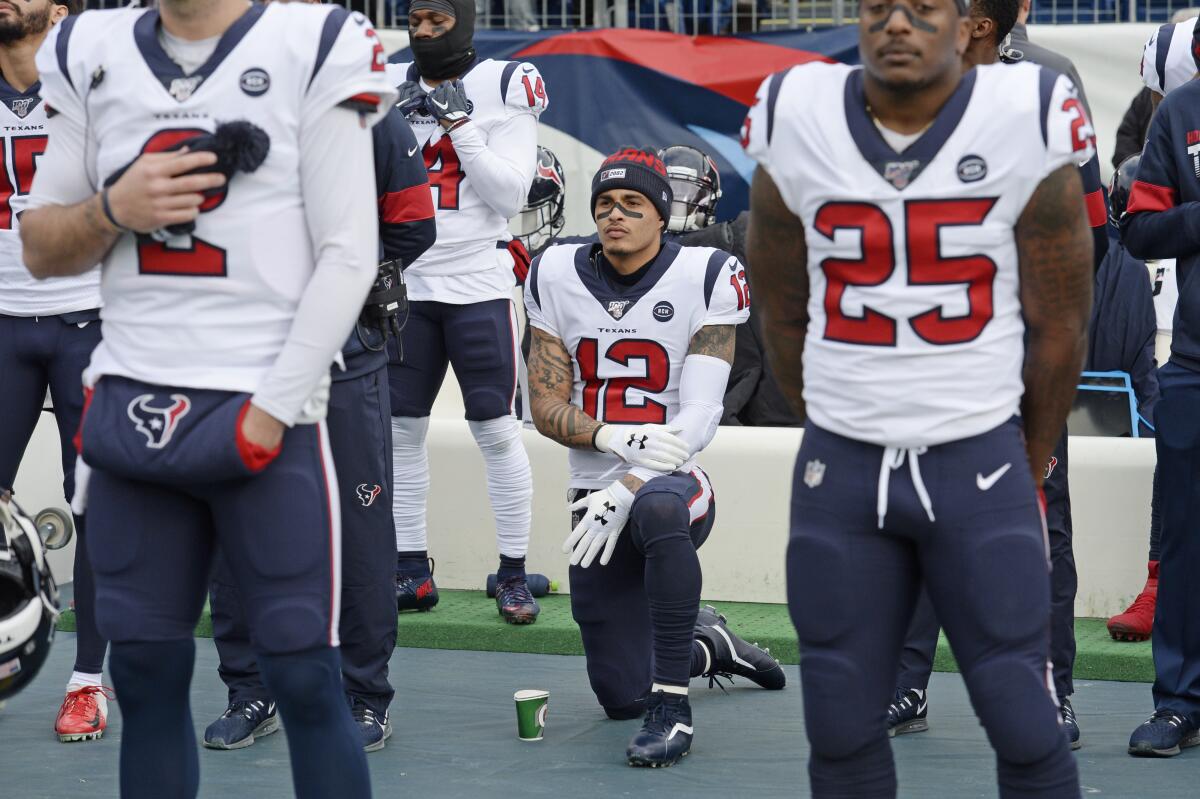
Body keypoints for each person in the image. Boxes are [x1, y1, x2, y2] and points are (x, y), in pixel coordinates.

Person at [21, 1, 394, 796]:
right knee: (149, 677)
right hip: (133, 412)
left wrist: (272, 409)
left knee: (303, 678)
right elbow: (42, 246)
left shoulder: (313, 41)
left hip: (263, 414)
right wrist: (114, 208)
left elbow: (350, 253)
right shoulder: (90, 46)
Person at [744, 0, 1095, 792]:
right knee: (837, 718)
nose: (898, 22)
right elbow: (782, 311)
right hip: (844, 465)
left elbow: (1063, 323)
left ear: (967, 19)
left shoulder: (1024, 111)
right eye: (879, 6)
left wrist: (1023, 456)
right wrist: (842, 416)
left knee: (1022, 713)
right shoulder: (796, 114)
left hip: (975, 457)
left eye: (923, 6)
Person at [525, 147, 785, 767]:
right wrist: (612, 439)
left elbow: (699, 414)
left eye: (633, 204)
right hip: (592, 495)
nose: (616, 215)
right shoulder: (555, 271)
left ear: (662, 216)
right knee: (619, 694)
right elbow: (545, 404)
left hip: (676, 480)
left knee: (657, 512)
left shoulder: (706, 273)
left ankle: (673, 710)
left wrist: (634, 478)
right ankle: (707, 647)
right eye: (605, 204)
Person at [204, 86, 436, 759]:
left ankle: (365, 695)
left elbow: (414, 222)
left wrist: (337, 287)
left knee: (358, 531)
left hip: (344, 357)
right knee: (236, 525)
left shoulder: (367, 109)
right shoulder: (215, 101)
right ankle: (250, 687)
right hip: (239, 356)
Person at [885, 0, 1092, 750]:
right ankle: (906, 683)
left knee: (1039, 524)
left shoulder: (1047, 83)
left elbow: (1088, 224)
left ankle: (1054, 690)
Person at [388, 0, 546, 624]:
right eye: (417, 20)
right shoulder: (388, 84)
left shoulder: (504, 82)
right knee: (401, 434)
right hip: (407, 285)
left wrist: (460, 126)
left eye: (439, 20)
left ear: (467, 20)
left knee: (496, 430)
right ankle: (410, 570)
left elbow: (510, 192)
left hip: (477, 281)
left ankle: (511, 572)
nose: (425, 32)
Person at [0, 0, 107, 744]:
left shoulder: (93, 86)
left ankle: (86, 680)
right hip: (2, 321)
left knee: (97, 502)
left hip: (86, 320)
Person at [1119, 62, 1200, 759]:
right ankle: (1178, 702)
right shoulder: (1181, 111)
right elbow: (1139, 229)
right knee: (1183, 541)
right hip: (1196, 368)